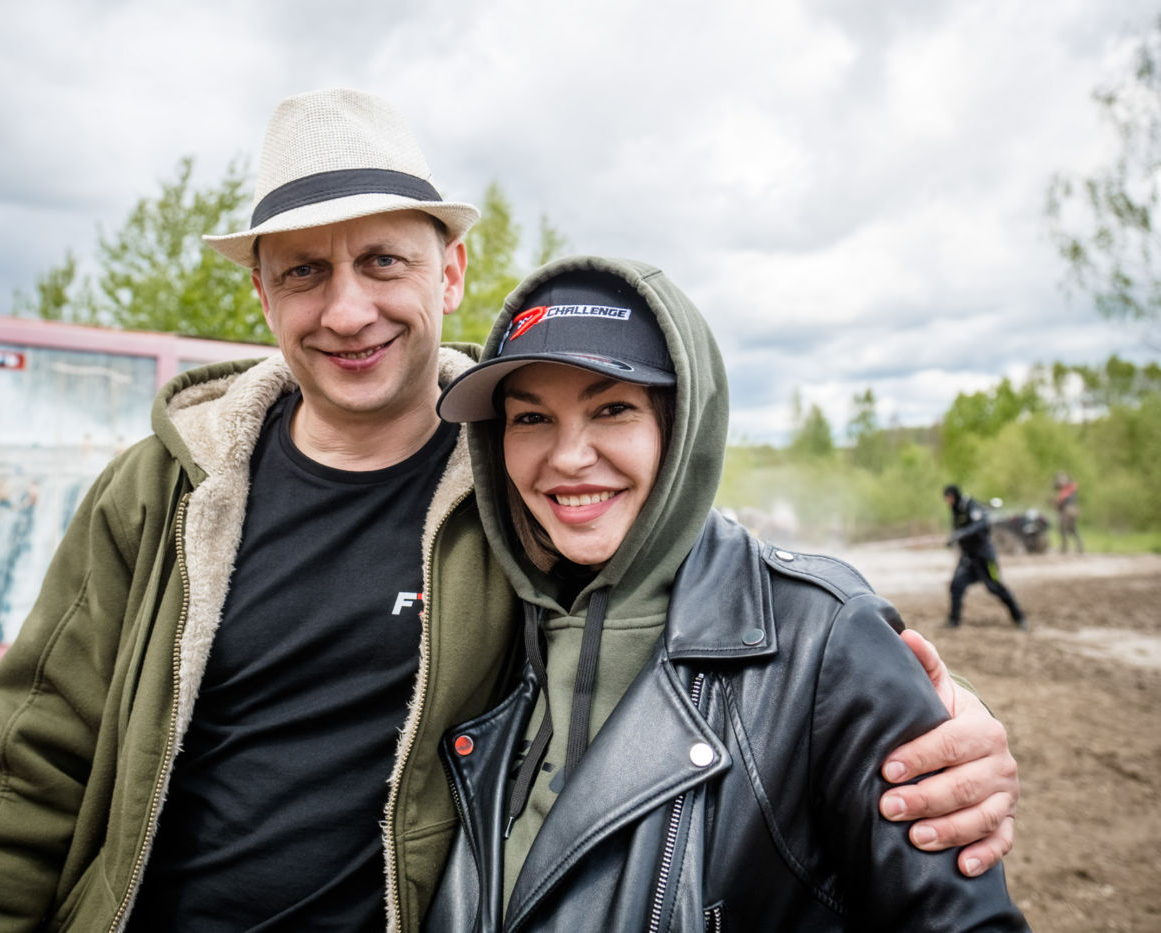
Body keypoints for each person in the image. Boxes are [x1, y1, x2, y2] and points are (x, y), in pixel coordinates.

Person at [0, 89, 1020, 932]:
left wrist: (921, 723)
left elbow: (703, 590)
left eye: (382, 261)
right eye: (302, 272)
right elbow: (25, 773)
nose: (347, 310)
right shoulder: (162, 491)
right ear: (261, 293)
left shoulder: (525, 482)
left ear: (449, 273)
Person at [425, 258, 1028, 930]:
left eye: (613, 408)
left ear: (683, 423)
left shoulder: (820, 639)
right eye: (531, 417)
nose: (568, 456)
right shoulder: (484, 626)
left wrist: (918, 702)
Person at [944, 484, 1028, 631]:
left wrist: (962, 533)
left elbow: (981, 523)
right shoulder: (956, 510)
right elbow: (958, 531)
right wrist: (953, 538)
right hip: (968, 558)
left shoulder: (971, 506)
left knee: (996, 587)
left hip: (985, 557)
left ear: (954, 495)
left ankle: (1019, 618)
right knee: (956, 585)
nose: (947, 501)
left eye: (948, 497)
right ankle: (954, 621)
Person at [1054, 471, 1083, 553]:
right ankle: (1078, 546)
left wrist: (1056, 502)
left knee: (1063, 528)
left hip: (1067, 510)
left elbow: (1062, 499)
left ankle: (1065, 547)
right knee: (1072, 529)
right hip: (1072, 510)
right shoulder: (1071, 487)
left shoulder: (1068, 488)